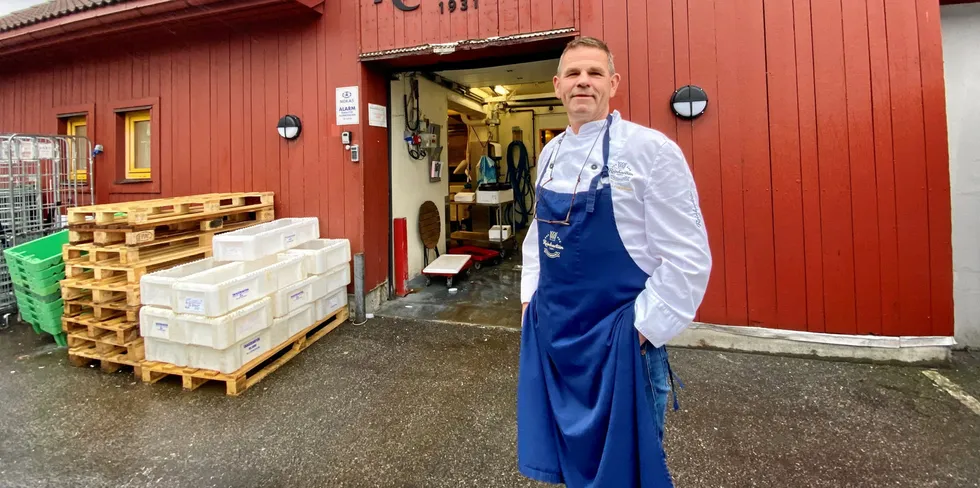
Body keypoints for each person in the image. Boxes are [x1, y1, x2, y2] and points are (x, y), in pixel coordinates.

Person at [517, 36, 713, 487]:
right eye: (573, 74)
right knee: (572, 459)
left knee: (625, 470)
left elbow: (687, 256)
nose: (583, 82)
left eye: (594, 73)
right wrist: (530, 302)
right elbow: (536, 237)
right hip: (558, 338)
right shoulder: (549, 154)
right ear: (558, 85)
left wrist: (641, 330)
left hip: (620, 342)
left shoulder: (651, 151)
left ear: (613, 83)